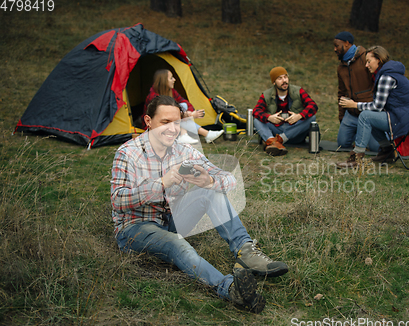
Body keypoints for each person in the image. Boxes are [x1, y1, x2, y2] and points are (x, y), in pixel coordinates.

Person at [112, 95, 289, 313]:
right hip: (136, 227)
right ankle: (231, 288)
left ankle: (246, 253)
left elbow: (229, 179)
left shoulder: (183, 151)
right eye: (164, 122)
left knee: (211, 193)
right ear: (148, 121)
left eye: (176, 123)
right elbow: (118, 200)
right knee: (176, 245)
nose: (172, 129)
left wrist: (211, 181)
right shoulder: (127, 152)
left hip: (171, 220)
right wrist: (160, 184)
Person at [336, 46, 409, 168]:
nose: (366, 65)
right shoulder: (389, 73)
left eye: (369, 61)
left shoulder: (386, 77)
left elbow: (377, 106)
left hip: (403, 120)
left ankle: (356, 158)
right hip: (406, 117)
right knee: (370, 117)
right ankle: (387, 151)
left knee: (365, 116)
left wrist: (355, 105)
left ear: (379, 60)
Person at [142, 69, 224, 144]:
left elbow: (184, 102)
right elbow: (165, 116)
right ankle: (204, 134)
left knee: (183, 105)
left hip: (171, 122)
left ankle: (185, 134)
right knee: (177, 115)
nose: (174, 80)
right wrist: (189, 115)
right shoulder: (154, 97)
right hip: (157, 125)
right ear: (163, 81)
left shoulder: (171, 91)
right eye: (171, 78)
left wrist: (189, 112)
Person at [252, 67, 318, 156]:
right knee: (257, 120)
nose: (284, 80)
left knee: (312, 117)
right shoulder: (266, 94)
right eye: (280, 78)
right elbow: (256, 111)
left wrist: (299, 116)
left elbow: (313, 105)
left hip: (294, 131)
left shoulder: (298, 91)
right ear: (274, 82)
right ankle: (272, 140)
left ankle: (277, 142)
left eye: (285, 77)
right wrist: (269, 117)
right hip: (276, 129)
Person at [333, 31, 379, 153]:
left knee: (375, 148)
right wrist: (342, 117)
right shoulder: (341, 67)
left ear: (347, 43)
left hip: (368, 111)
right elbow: (341, 92)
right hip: (351, 113)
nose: (335, 49)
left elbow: (378, 84)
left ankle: (369, 132)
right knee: (342, 143)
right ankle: (359, 133)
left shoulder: (366, 59)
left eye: (337, 45)